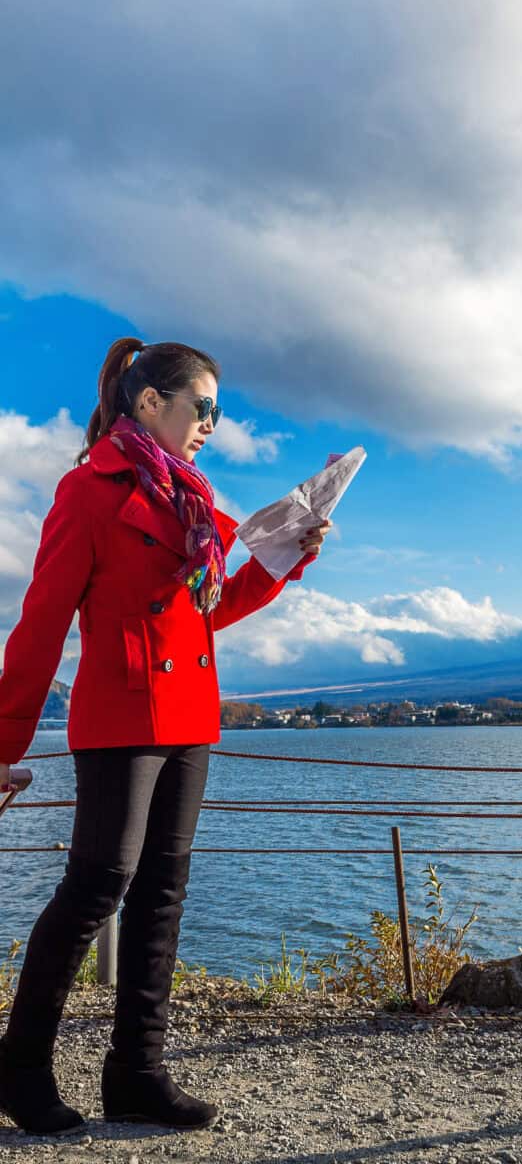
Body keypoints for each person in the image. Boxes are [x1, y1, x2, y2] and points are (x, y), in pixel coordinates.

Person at [0, 338, 331, 1136]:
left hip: (188, 716)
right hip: (120, 716)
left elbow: (213, 605)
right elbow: (40, 622)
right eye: (203, 407)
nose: (213, 424)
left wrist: (289, 556)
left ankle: (137, 1074)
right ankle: (18, 1068)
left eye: (219, 411)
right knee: (96, 887)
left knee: (161, 896)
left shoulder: (194, 500)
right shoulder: (90, 492)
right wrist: (5, 743)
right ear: (150, 402)